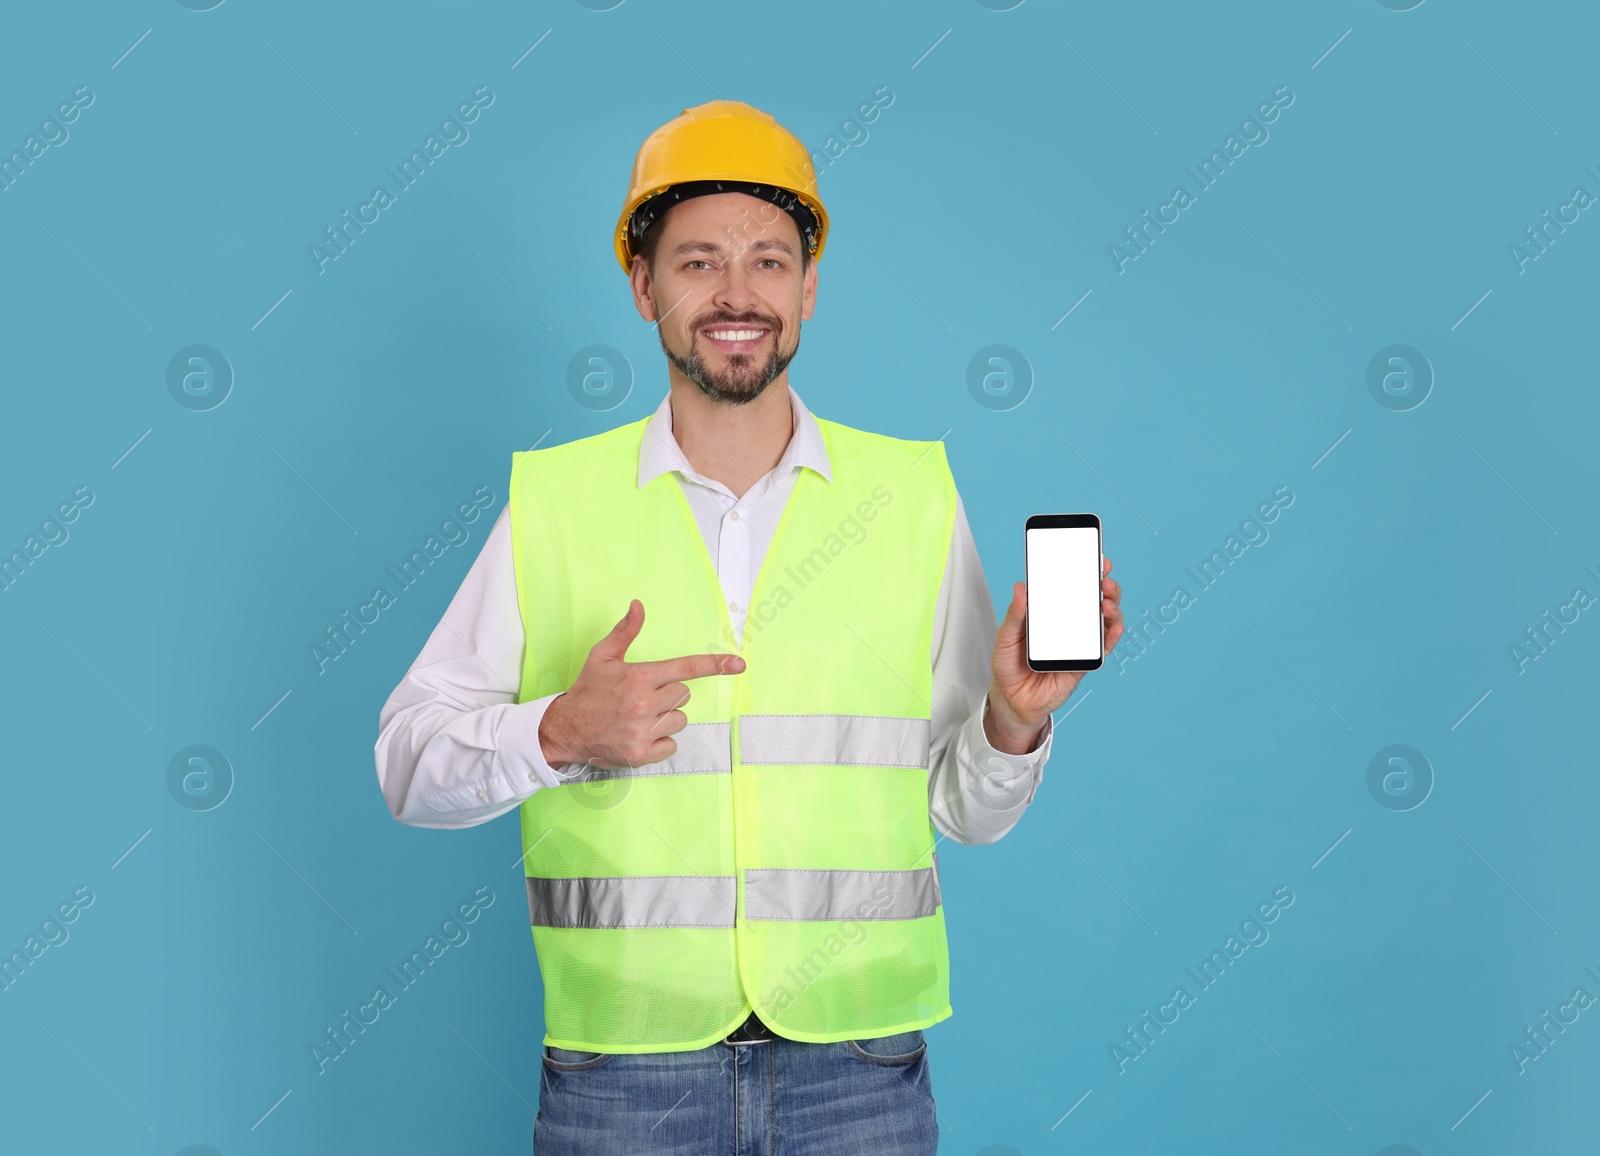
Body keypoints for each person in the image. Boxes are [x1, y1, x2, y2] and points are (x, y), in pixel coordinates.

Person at [375, 99, 1123, 1155]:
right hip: (624, 1070)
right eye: (697, 263)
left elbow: (965, 814)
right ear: (643, 288)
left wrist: (1009, 720)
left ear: (808, 287)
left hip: (858, 1066)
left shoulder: (909, 495)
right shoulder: (555, 503)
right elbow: (405, 766)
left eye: (769, 261)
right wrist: (556, 732)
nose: (737, 294)